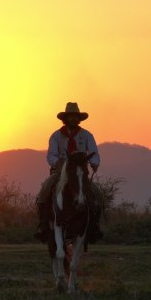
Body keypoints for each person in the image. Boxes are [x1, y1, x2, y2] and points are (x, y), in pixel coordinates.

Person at [33, 102, 103, 243]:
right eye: (71, 116)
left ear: (79, 118)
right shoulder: (56, 136)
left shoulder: (87, 135)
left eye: (75, 116)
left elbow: (94, 152)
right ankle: (43, 225)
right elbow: (51, 155)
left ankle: (94, 226)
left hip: (79, 172)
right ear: (65, 118)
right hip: (60, 172)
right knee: (44, 190)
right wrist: (58, 163)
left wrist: (94, 163)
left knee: (98, 193)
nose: (73, 119)